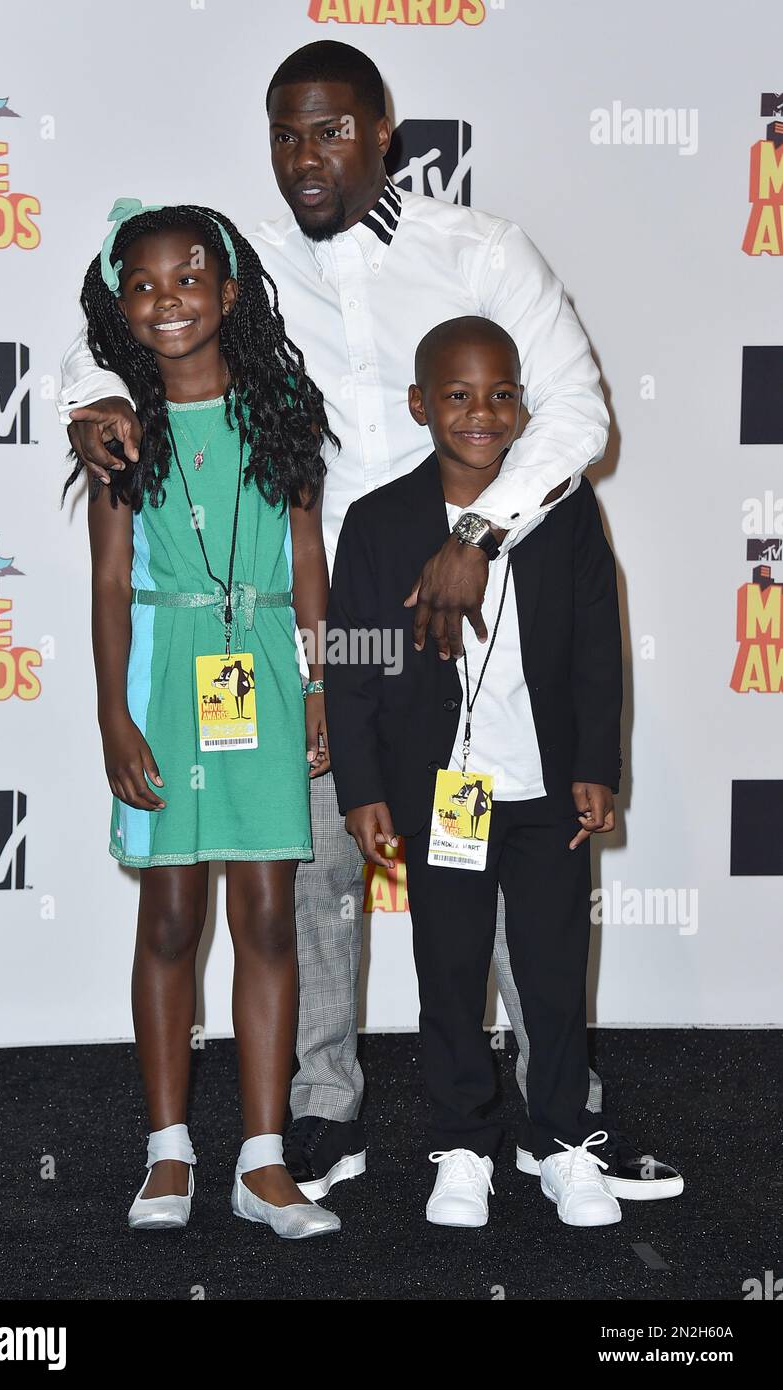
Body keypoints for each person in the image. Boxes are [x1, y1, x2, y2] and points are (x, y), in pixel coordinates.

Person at [56, 42, 680, 1201]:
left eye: (331, 129)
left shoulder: (474, 247)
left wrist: (476, 533)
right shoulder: (238, 259)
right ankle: (320, 1112)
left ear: (382, 130)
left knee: (508, 861)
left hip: (481, 609)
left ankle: (557, 1122)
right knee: (319, 868)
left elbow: (579, 408)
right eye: (286, 132)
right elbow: (115, 315)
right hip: (329, 619)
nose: (307, 154)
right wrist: (84, 395)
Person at [326, 316, 682, 1225]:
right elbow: (356, 662)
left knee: (555, 970)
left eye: (502, 394)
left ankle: (559, 1142)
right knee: (448, 971)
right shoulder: (378, 522)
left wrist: (598, 765)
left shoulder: (563, 514)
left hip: (546, 787)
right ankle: (461, 1146)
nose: (481, 413)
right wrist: (362, 787)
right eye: (457, 394)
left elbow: (598, 649)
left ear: (525, 405)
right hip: (450, 793)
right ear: (418, 405)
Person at [66, 197, 340, 1239]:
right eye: (142, 284)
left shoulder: (283, 410)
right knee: (172, 917)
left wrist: (318, 683)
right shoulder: (118, 433)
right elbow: (107, 583)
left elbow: (305, 558)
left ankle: (263, 1162)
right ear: (119, 307)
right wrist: (111, 719)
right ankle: (169, 1151)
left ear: (228, 293)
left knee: (268, 915)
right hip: (165, 679)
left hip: (265, 668)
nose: (166, 300)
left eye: (188, 279)